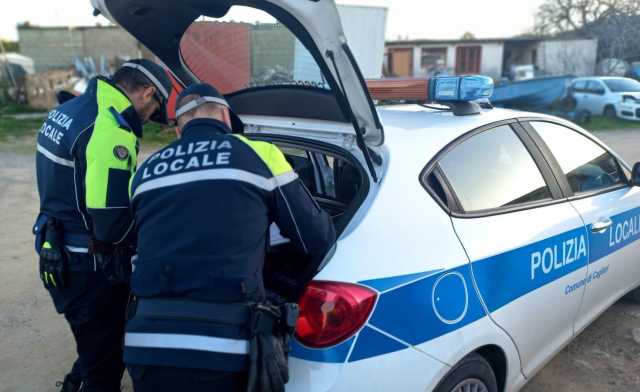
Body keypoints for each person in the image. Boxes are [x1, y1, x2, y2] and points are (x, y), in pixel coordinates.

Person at [124, 83, 336, 391]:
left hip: (146, 344)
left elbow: (141, 242)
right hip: (223, 349)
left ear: (179, 131)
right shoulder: (260, 153)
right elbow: (316, 239)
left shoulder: (145, 171)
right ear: (226, 117)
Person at [33, 59, 173, 392]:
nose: (149, 118)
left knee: (97, 343)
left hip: (56, 246)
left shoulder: (70, 110)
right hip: (87, 266)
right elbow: (111, 225)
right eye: (153, 110)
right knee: (105, 367)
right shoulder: (110, 130)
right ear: (147, 92)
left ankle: (76, 382)